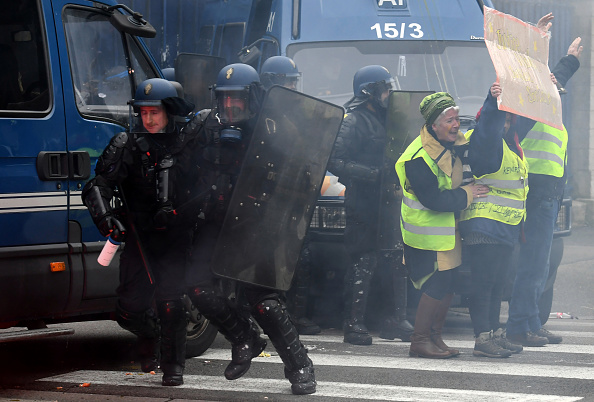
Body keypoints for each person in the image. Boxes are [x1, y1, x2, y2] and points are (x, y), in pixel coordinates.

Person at [186, 63, 316, 395]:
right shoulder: (205, 125)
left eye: (238, 101)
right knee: (198, 287)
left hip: (258, 226)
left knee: (265, 303)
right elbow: (180, 164)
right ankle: (243, 337)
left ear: (254, 98)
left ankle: (300, 367)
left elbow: (300, 179)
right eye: (224, 100)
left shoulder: (277, 130)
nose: (230, 108)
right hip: (215, 221)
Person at [81, 78, 197, 386]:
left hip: (174, 237)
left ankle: (173, 367)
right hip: (139, 237)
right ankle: (152, 336)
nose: (148, 119)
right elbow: (97, 186)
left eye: (155, 112)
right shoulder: (127, 144)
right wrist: (107, 220)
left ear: (169, 112)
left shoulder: (188, 145)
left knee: (171, 301)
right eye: (143, 112)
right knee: (129, 309)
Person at [395, 92, 490, 359]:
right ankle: (420, 340)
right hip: (425, 233)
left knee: (449, 283)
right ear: (433, 125)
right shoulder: (417, 156)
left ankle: (435, 338)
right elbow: (434, 200)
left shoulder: (450, 143)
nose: (456, 124)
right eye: (450, 120)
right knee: (435, 284)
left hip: (447, 231)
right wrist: (469, 193)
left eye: (457, 118)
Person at [328, 65, 414, 345]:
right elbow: (335, 161)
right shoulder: (353, 121)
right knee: (363, 261)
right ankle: (353, 324)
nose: (390, 93)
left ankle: (395, 320)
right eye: (385, 88)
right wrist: (372, 174)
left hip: (389, 201)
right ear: (371, 92)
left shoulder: (391, 119)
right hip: (363, 201)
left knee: (395, 258)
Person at [507, 36, 582, 347]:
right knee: (533, 262)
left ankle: (531, 322)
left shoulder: (548, 100)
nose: (553, 81)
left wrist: (570, 62)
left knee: (541, 264)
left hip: (549, 192)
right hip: (535, 191)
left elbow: (556, 80)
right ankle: (519, 326)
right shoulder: (531, 101)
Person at [459, 82, 533, 357]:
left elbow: (529, 118)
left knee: (498, 284)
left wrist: (550, 84)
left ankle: (495, 333)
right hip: (485, 225)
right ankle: (483, 338)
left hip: (505, 227)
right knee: (484, 283)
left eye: (509, 120)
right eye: (505, 119)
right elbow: (489, 123)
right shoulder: (485, 141)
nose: (507, 124)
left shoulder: (509, 143)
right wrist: (493, 100)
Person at [259, 55, 321, 335]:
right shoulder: (263, 115)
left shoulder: (297, 113)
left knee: (297, 257)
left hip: (294, 195)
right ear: (274, 83)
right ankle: (266, 313)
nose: (295, 89)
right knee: (266, 258)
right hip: (269, 198)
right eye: (289, 83)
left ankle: (293, 314)